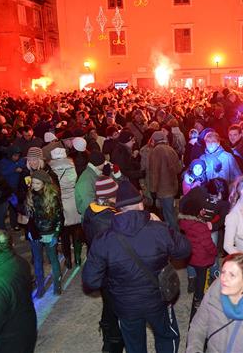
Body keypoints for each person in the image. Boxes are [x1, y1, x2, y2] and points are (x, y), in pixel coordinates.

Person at [82, 180, 191, 353]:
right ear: (140, 203)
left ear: (117, 208)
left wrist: (113, 280)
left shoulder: (103, 239)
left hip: (125, 305)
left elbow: (91, 281)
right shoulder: (159, 229)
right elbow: (184, 250)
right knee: (166, 336)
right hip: (158, 300)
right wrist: (165, 225)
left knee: (134, 345)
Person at [81, 175, 124, 353]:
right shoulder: (111, 218)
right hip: (112, 269)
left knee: (108, 301)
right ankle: (113, 341)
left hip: (99, 266)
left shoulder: (89, 211)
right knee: (115, 304)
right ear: (111, 196)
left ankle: (109, 335)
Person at [178, 187, 218, 321]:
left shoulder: (184, 223)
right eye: (201, 209)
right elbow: (208, 245)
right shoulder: (201, 227)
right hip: (202, 259)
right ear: (196, 212)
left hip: (192, 257)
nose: (204, 210)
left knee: (196, 273)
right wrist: (215, 252)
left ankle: (192, 283)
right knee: (202, 278)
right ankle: (198, 298)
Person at [24, 169, 64, 297]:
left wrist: (56, 235)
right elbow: (30, 217)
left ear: (45, 184)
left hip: (49, 233)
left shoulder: (53, 196)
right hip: (35, 234)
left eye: (37, 183)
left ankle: (57, 285)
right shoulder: (30, 195)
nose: (34, 186)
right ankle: (40, 286)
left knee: (53, 259)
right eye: (33, 183)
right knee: (37, 261)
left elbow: (59, 218)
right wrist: (30, 231)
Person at [47, 142, 84, 268]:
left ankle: (68, 260)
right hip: (74, 201)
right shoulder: (72, 164)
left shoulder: (50, 168)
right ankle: (78, 257)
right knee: (77, 232)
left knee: (64, 235)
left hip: (61, 203)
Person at [148, 130, 183, 231]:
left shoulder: (155, 151)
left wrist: (153, 190)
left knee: (168, 214)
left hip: (162, 189)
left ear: (154, 140)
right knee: (171, 212)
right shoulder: (171, 149)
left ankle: (175, 236)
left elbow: (154, 172)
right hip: (172, 187)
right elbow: (178, 169)